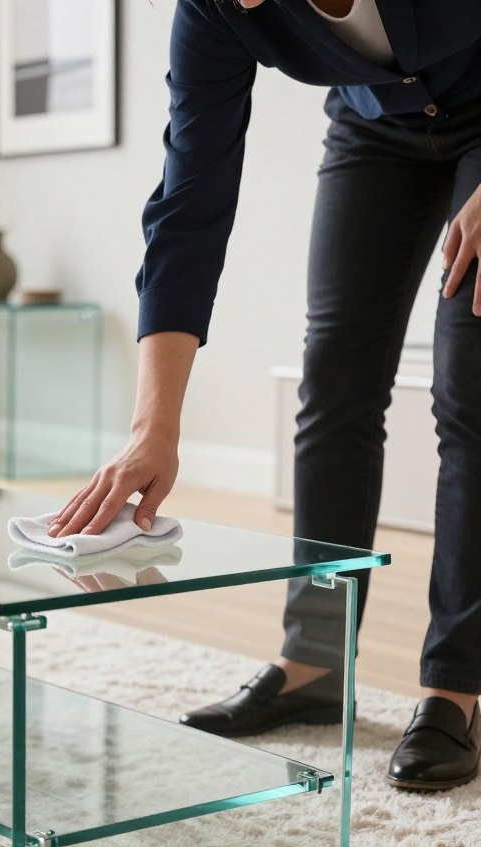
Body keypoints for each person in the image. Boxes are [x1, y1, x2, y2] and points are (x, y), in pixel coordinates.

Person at [49, 0, 481, 792]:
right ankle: (314, 662)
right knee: (335, 382)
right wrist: (155, 427)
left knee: (470, 389)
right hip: (377, 132)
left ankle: (455, 688)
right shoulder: (215, 8)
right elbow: (188, 206)